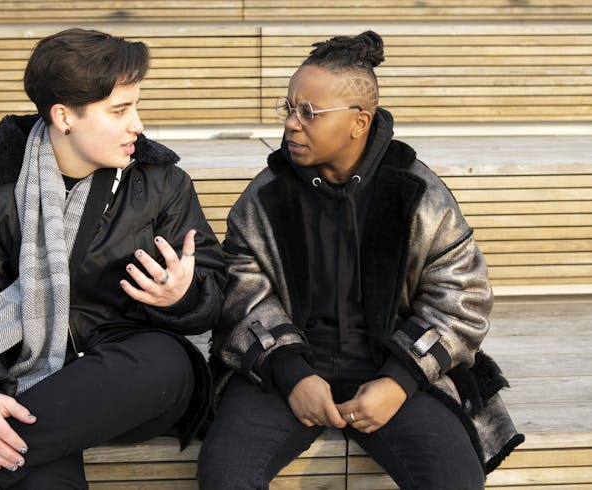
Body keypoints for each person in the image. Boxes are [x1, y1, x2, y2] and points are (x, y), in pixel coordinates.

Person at [0, 28, 226, 490]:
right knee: (37, 462)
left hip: (130, 382)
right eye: (120, 110)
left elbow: (211, 283)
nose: (138, 124)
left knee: (165, 363)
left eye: (136, 105)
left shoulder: (160, 183)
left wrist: (181, 295)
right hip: (21, 379)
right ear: (64, 116)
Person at [197, 31, 523, 489]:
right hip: (284, 370)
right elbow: (241, 294)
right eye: (289, 107)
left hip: (392, 368)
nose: (292, 123)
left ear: (359, 122)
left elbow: (462, 296)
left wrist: (398, 381)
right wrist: (293, 376)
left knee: (455, 480)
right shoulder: (265, 198)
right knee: (225, 477)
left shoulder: (416, 194)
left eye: (309, 112)